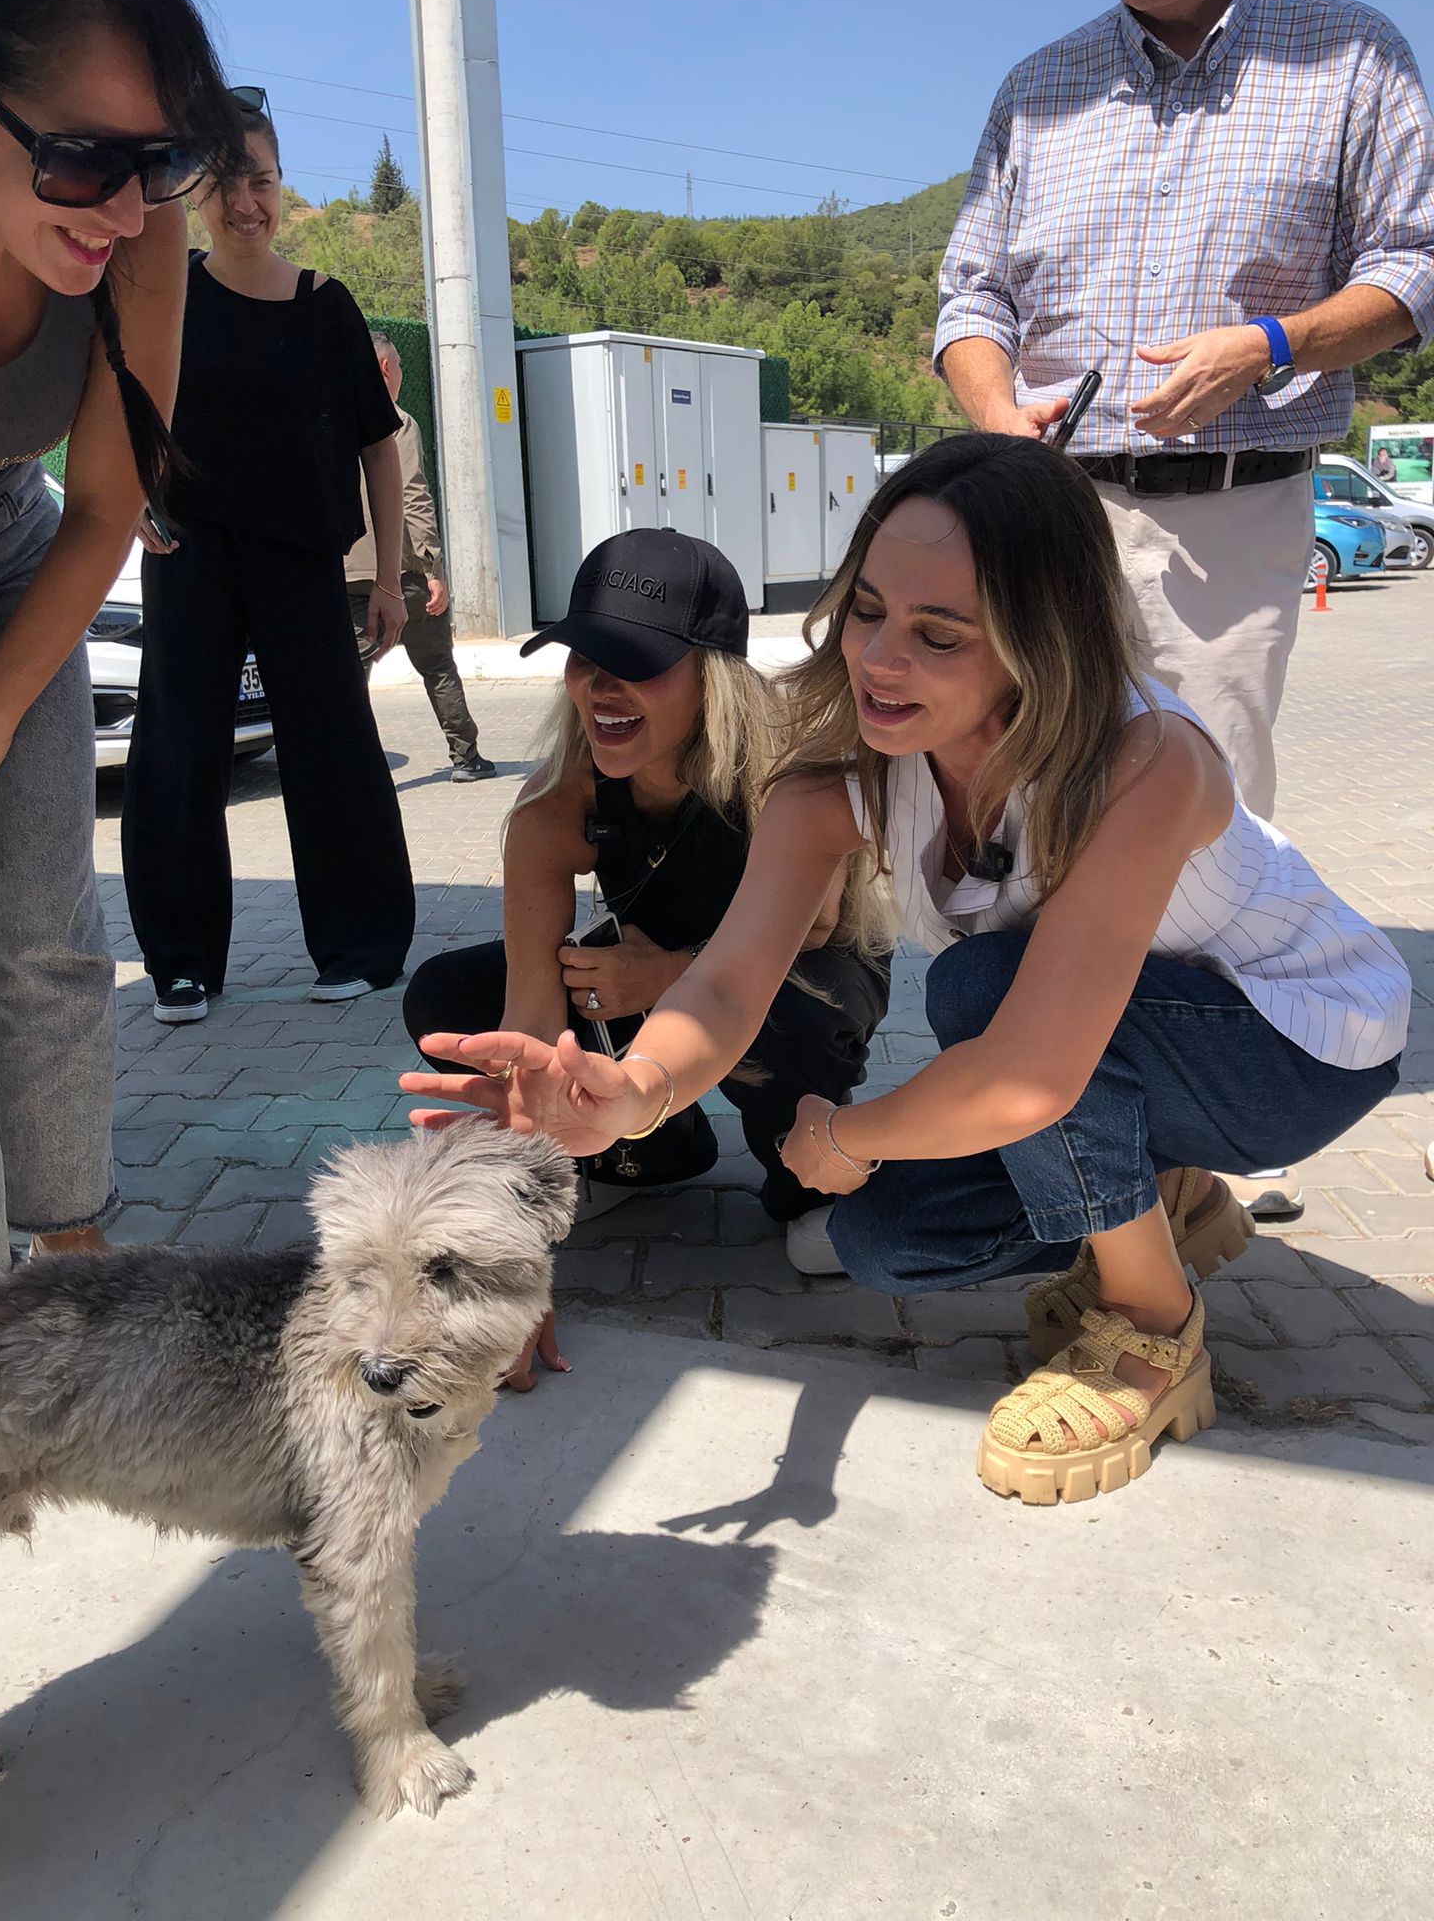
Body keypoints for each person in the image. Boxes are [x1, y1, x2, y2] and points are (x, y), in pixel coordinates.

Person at [402, 438, 1409, 1504]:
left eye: (938, 634)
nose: (880, 659)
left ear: (1040, 642)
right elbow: (732, 984)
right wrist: (633, 1095)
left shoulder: (1144, 760)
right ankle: (1164, 1190)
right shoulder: (840, 770)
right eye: (868, 610)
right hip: (1127, 1047)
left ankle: (1155, 1328)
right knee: (884, 1240)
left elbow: (1028, 1077)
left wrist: (846, 1132)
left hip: (1297, 1048)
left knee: (978, 991)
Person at [0, 0, 242, 1305]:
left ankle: (76, 1278)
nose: (125, 206)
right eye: (83, 159)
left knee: (44, 930)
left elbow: (107, 498)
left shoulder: (142, 221)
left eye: (160, 161)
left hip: (3, 544)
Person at [935, 0, 1434, 828]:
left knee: (1207, 825)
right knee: (1024, 813)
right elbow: (973, 297)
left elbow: (1415, 268)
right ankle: (1034, 984)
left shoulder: (1353, 57)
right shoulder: (1038, 89)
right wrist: (998, 417)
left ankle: (1188, 983)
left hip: (1230, 522)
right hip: (1049, 519)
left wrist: (1270, 344)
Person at [401, 526, 891, 1384]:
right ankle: (642, 1151)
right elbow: (526, 1024)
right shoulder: (557, 804)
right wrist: (511, 1252)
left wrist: (660, 978)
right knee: (451, 1000)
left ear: (716, 673)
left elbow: (809, 936)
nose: (600, 683)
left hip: (802, 975)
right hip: (640, 975)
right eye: (583, 654)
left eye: (635, 659)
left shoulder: (787, 773)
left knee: (792, 1031)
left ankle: (802, 1176)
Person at [121, 107, 416, 1022]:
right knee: (178, 752)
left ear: (282, 186)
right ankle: (180, 962)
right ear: (195, 190)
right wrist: (129, 502)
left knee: (332, 749)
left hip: (300, 561)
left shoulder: (326, 303)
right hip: (190, 552)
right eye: (225, 182)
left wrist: (394, 579)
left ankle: (360, 945)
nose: (246, 202)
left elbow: (378, 446)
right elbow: (123, 409)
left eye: (263, 181)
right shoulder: (168, 289)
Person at [344, 332, 495, 783]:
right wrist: (432, 569)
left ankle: (353, 768)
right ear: (387, 370)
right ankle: (466, 757)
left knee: (352, 675)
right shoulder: (396, 422)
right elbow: (413, 495)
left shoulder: (330, 420)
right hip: (401, 572)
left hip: (346, 571)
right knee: (437, 665)